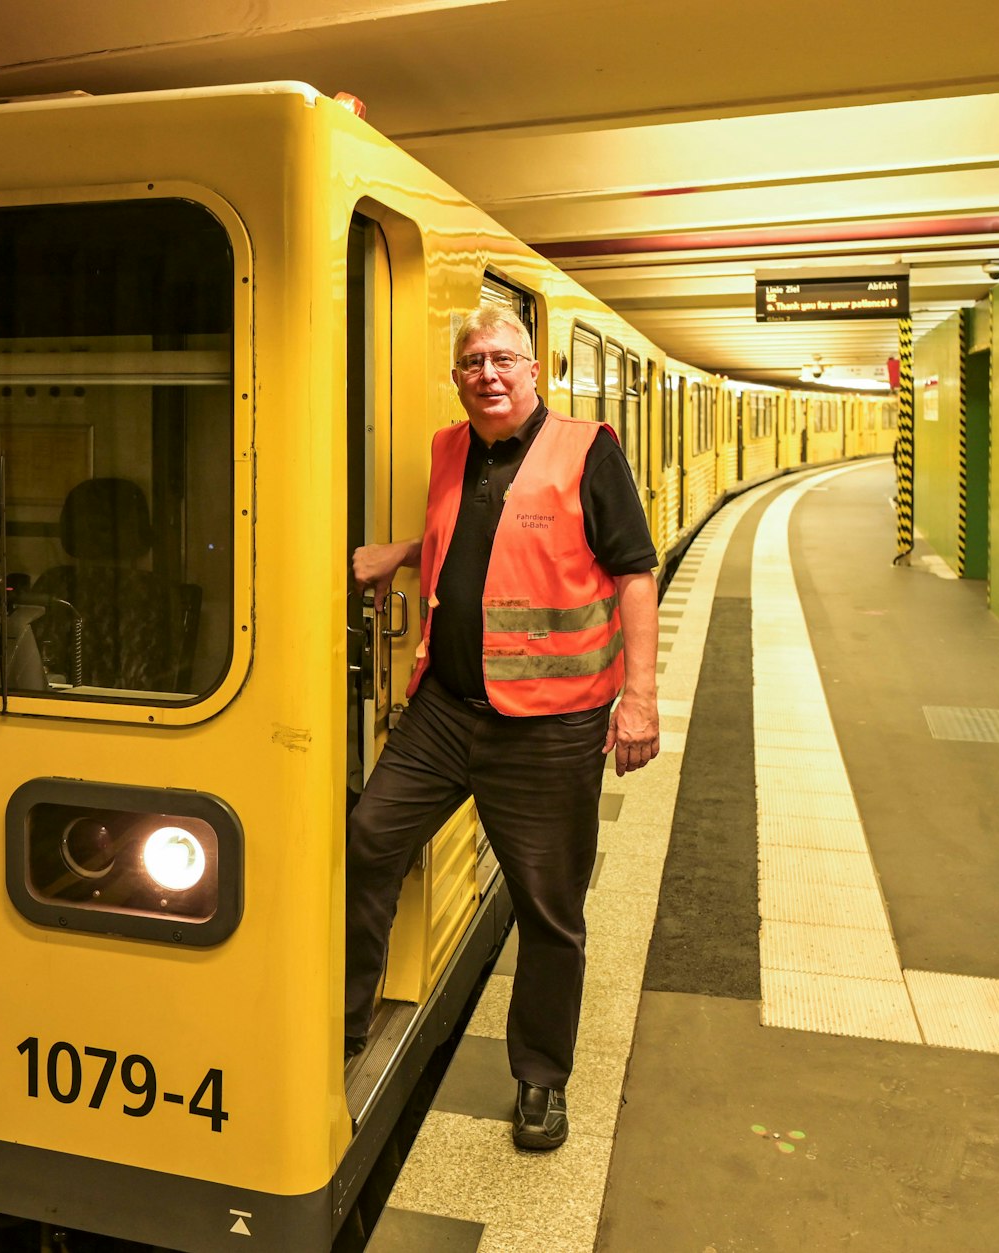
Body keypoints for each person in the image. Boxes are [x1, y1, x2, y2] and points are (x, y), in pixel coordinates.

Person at [346, 303, 659, 1152]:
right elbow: (481, 533)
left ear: (535, 369)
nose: (487, 374)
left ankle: (540, 1079)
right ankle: (345, 1019)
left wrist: (640, 698)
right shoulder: (453, 448)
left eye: (502, 360)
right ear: (456, 378)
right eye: (471, 361)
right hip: (445, 709)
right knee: (369, 837)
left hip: (550, 730)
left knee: (547, 908)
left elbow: (634, 572)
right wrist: (402, 551)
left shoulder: (589, 451)